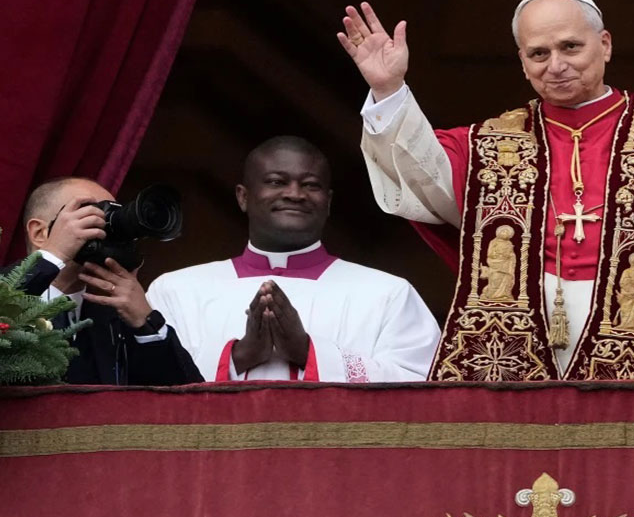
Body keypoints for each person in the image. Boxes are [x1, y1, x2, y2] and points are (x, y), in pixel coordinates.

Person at [345, 0, 634, 380]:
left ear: (604, 44)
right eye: (538, 54)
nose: (556, 65)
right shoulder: (486, 144)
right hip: (518, 326)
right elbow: (424, 181)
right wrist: (389, 92)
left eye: (570, 47)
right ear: (522, 63)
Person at [146, 136, 439, 382]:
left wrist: (308, 352)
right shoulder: (176, 291)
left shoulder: (389, 294)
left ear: (329, 202)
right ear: (243, 197)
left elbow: (420, 389)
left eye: (311, 185)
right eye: (276, 181)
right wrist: (239, 356)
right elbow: (147, 385)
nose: (295, 194)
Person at [20, 177, 203, 385]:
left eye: (110, 216)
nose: (103, 228)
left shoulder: (115, 319)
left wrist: (146, 324)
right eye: (89, 214)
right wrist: (52, 258)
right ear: (40, 232)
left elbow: (188, 400)